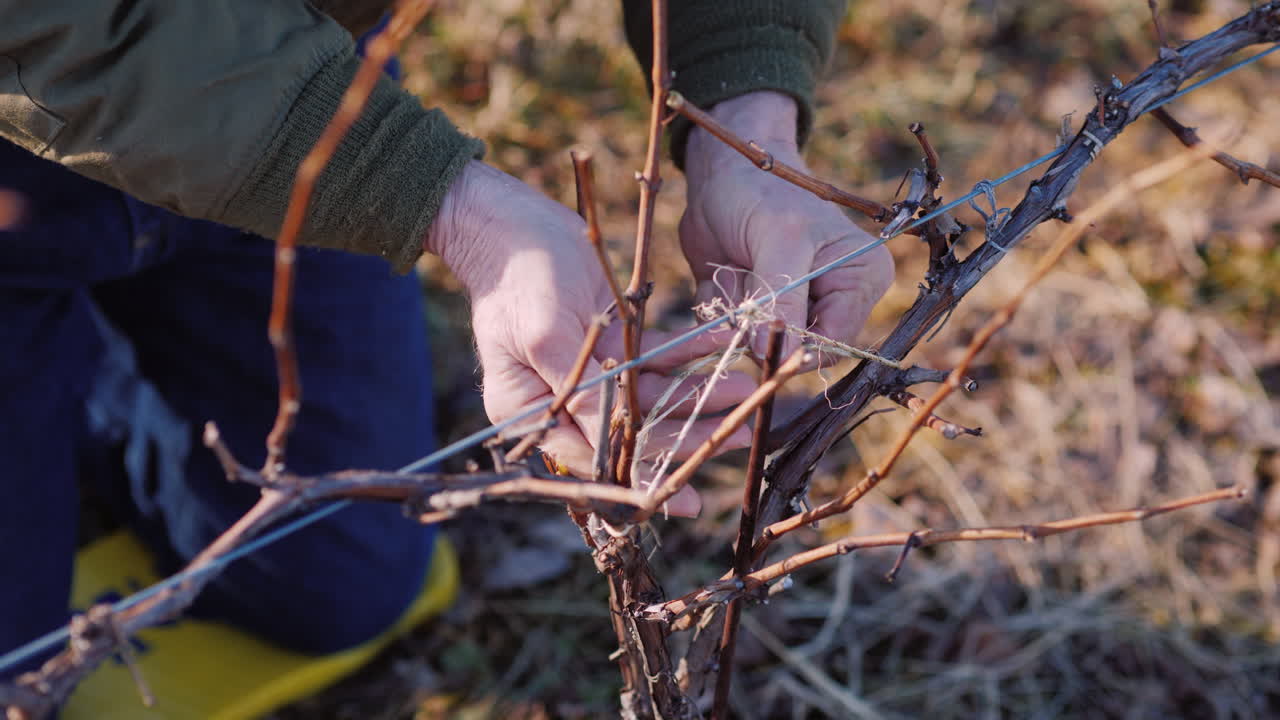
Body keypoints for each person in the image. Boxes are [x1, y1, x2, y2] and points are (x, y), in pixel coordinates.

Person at [0, 0, 892, 698]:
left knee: (334, 586)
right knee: (21, 681)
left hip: (283, 71)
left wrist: (748, 135)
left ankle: (82, 366)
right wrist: (438, 201)